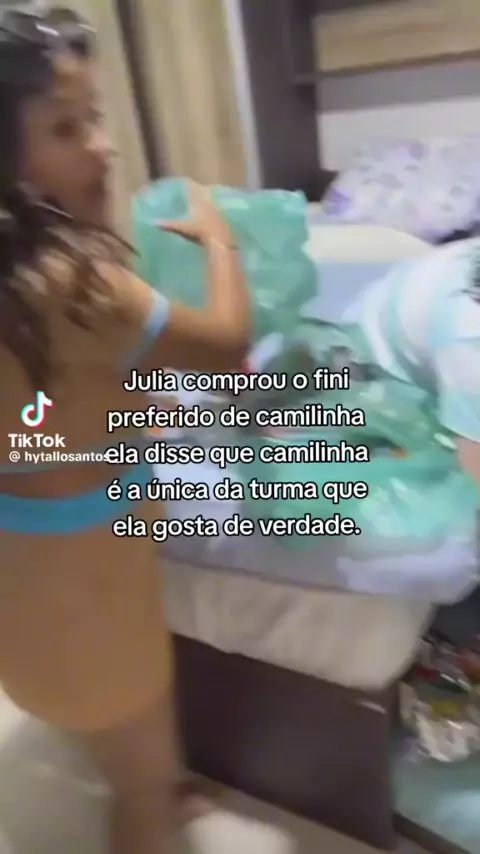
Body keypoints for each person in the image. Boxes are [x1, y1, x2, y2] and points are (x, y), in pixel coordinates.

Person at [0, 8, 294, 854]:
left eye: (95, 118)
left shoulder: (26, 281)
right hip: (94, 614)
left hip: (24, 603)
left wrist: (127, 413)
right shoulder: (76, 282)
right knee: (143, 792)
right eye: (67, 128)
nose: (104, 146)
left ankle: (146, 776)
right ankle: (149, 801)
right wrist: (219, 242)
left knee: (124, 744)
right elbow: (228, 348)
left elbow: (50, 400)